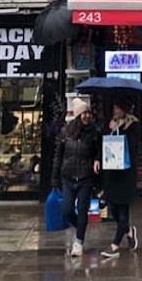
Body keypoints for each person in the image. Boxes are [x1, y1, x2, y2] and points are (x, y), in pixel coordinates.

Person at [51, 97, 101, 257]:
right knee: (66, 210)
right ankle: (80, 226)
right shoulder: (66, 132)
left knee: (82, 209)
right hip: (68, 176)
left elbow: (99, 151)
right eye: (84, 113)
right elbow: (58, 156)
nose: (87, 116)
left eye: (88, 112)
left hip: (86, 176)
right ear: (78, 115)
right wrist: (54, 177)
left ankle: (78, 241)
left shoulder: (94, 133)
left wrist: (97, 160)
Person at [101, 97, 141, 259]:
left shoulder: (134, 125)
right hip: (112, 172)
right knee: (115, 210)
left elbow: (132, 145)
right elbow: (105, 144)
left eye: (118, 108)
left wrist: (120, 131)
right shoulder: (111, 123)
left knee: (123, 210)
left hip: (126, 172)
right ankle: (129, 230)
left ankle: (115, 245)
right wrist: (111, 130)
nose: (115, 111)